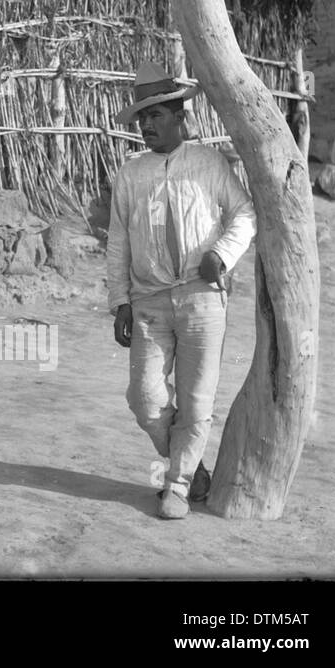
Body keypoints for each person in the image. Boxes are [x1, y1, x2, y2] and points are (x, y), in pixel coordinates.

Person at [107, 62, 257, 520]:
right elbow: (118, 243)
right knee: (145, 397)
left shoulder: (209, 165)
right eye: (142, 118)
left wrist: (222, 255)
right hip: (149, 302)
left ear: (179, 116)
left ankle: (177, 485)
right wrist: (119, 302)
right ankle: (191, 468)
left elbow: (245, 213)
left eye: (155, 115)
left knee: (196, 400)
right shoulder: (131, 176)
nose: (147, 126)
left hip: (202, 298)